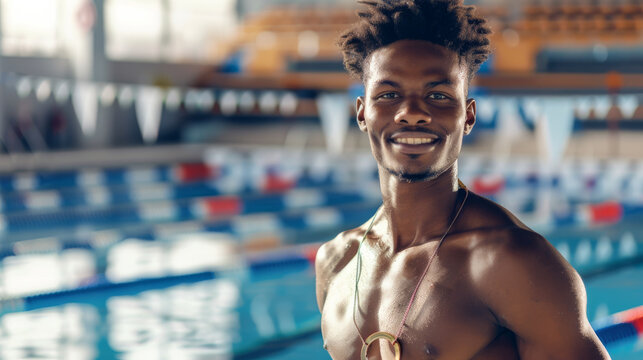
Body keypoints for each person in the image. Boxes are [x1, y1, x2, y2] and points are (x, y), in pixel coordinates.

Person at [314, 0, 611, 359]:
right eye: (389, 95)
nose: (411, 113)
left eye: (438, 96)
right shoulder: (336, 261)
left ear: (468, 116)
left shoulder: (512, 262)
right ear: (363, 113)